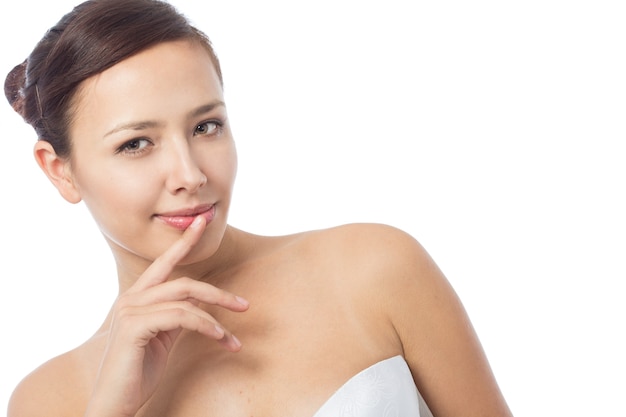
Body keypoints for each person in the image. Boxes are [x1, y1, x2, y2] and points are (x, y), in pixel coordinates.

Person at [4, 0, 513, 416]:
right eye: (136, 143)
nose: (191, 175)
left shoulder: (373, 269)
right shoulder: (49, 400)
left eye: (206, 127)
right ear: (59, 170)